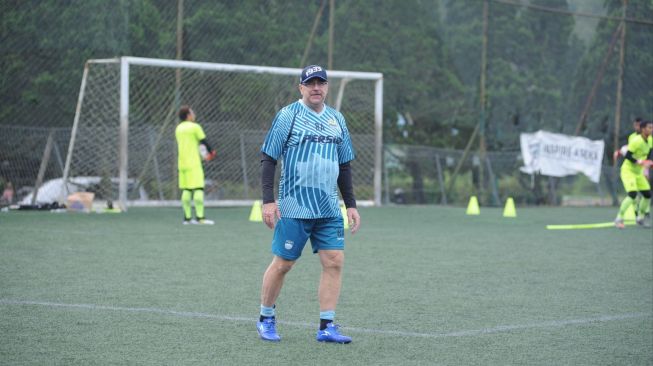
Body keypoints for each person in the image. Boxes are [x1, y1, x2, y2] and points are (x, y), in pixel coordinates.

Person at [256, 65, 361, 343]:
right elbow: (268, 157)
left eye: (321, 83)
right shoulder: (287, 115)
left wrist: (350, 204)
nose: (316, 88)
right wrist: (268, 201)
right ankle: (266, 317)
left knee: (335, 261)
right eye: (310, 83)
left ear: (327, 87)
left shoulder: (337, 119)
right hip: (294, 206)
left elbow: (344, 164)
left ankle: (327, 326)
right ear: (301, 87)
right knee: (283, 264)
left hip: (328, 207)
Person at [175, 105, 216, 225]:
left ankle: (187, 218)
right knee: (198, 189)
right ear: (188, 115)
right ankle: (200, 217)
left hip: (182, 163)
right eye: (192, 113)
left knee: (186, 190)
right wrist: (211, 152)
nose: (194, 114)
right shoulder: (195, 127)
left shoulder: (178, 128)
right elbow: (204, 141)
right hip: (193, 163)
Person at [614, 119, 653, 228]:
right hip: (628, 171)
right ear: (643, 129)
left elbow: (649, 154)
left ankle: (640, 218)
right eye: (649, 127)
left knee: (647, 195)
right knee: (632, 194)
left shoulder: (650, 140)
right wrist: (638, 161)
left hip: (638, 172)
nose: (651, 129)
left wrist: (649, 162)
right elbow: (627, 155)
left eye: (652, 127)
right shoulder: (636, 141)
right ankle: (619, 218)